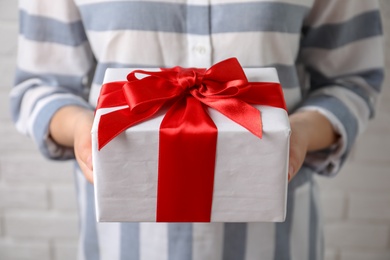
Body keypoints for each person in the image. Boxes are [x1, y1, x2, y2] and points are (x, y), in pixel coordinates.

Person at [10, 0, 384, 259]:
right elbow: (40, 84)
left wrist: (298, 133)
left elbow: (353, 78)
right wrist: (82, 130)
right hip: (123, 247)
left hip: (272, 246)